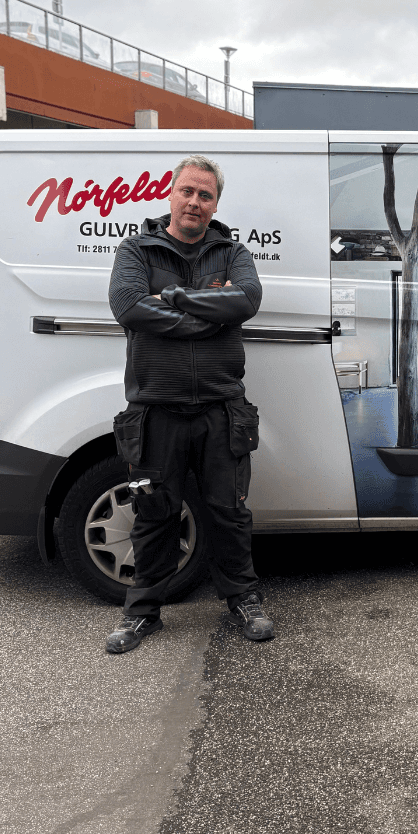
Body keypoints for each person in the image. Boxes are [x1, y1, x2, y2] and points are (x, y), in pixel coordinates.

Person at [104, 154, 273, 653]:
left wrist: (173, 299)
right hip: (156, 410)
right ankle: (141, 613)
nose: (195, 202)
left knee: (230, 512)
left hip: (222, 410)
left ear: (215, 203)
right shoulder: (136, 249)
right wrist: (205, 313)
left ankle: (244, 598)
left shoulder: (232, 252)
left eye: (206, 195)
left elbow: (245, 301)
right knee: (154, 512)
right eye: (187, 191)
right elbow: (128, 307)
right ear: (171, 193)